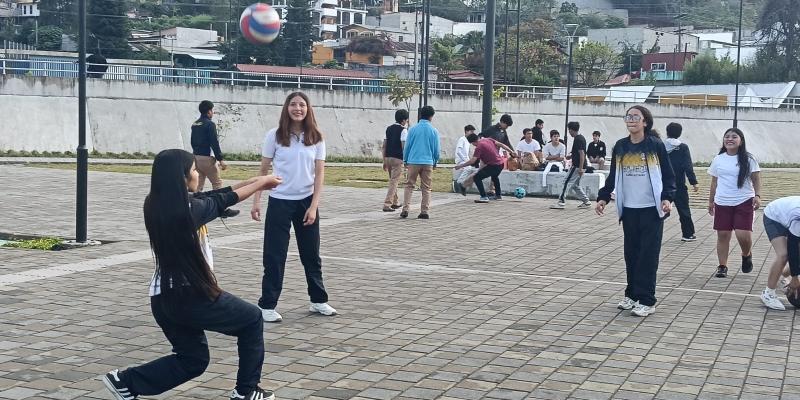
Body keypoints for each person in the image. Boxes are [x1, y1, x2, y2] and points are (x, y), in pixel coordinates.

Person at [102, 149, 281, 400]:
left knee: (193, 360)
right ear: (182, 177)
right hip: (190, 295)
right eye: (194, 170)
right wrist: (262, 182)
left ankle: (125, 381)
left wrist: (253, 181)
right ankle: (246, 392)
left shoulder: (157, 203)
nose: (198, 174)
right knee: (251, 319)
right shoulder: (187, 210)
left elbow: (215, 195)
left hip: (163, 298)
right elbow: (221, 201)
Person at [250, 92, 337, 323]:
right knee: (274, 255)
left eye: (302, 105)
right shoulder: (275, 136)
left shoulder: (316, 137)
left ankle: (318, 300)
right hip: (279, 201)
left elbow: (319, 174)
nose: (298, 108)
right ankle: (267, 305)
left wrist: (314, 206)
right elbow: (263, 172)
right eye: (293, 104)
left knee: (311, 254)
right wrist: (257, 200)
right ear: (286, 108)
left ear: (308, 109)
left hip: (306, 201)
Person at [596, 105, 676, 317]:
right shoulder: (621, 147)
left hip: (651, 209)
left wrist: (667, 198)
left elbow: (668, 175)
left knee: (647, 256)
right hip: (629, 209)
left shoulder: (655, 146)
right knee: (631, 254)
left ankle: (647, 300)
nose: (631, 120)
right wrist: (603, 197)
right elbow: (613, 176)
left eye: (636, 117)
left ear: (645, 122)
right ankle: (632, 295)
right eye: (628, 117)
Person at [708, 128, 762, 279]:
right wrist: (711, 201)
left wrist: (757, 195)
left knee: (742, 235)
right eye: (727, 137)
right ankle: (722, 266)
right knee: (723, 234)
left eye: (734, 137)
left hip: (744, 201)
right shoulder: (718, 159)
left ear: (741, 141)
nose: (729, 139)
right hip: (722, 202)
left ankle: (746, 254)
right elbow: (714, 181)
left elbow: (756, 178)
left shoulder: (749, 159)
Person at [191, 100, 238, 218]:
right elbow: (214, 143)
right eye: (212, 110)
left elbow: (192, 142)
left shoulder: (195, 124)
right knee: (217, 183)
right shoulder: (210, 124)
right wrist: (220, 159)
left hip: (195, 157)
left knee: (198, 185)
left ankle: (193, 207)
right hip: (207, 158)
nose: (213, 112)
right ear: (208, 112)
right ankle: (221, 209)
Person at [760, 196, 800, 310]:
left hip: (788, 216)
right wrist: (795, 277)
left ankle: (783, 276)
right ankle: (768, 294)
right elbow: (793, 248)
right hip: (774, 216)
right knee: (784, 254)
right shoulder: (798, 217)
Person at [401, 105, 440, 219]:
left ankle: (405, 209)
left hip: (413, 161)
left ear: (420, 115)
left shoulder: (412, 129)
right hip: (428, 161)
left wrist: (405, 159)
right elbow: (436, 149)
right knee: (426, 187)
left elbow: (407, 146)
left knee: (409, 185)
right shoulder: (434, 131)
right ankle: (424, 211)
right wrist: (435, 160)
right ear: (431, 116)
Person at [454, 134, 516, 203]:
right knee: (495, 177)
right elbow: (501, 144)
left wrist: (460, 166)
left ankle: (484, 197)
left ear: (472, 143)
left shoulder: (478, 147)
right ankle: (498, 195)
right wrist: (512, 151)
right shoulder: (488, 139)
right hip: (501, 164)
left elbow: (473, 161)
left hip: (493, 165)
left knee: (477, 178)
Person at [665, 122, 699, 242]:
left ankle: (650, 232)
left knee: (659, 209)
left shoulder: (660, 146)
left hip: (663, 184)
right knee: (684, 209)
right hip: (678, 184)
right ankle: (688, 234)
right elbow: (687, 166)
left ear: (667, 132)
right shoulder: (683, 147)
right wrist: (693, 182)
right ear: (679, 133)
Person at [551, 121, 590, 209]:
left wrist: (580, 168)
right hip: (581, 165)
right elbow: (578, 152)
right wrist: (571, 156)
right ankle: (586, 201)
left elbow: (582, 154)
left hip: (577, 166)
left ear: (572, 130)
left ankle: (561, 202)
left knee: (566, 182)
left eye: (569, 130)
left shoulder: (578, 139)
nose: (569, 132)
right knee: (575, 185)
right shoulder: (580, 138)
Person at [382, 109, 409, 212]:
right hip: (397, 158)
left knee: (393, 180)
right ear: (403, 120)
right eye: (406, 120)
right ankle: (387, 204)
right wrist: (406, 160)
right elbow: (404, 147)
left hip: (388, 157)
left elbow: (384, 146)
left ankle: (395, 202)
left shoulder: (388, 129)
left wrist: (384, 160)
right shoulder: (403, 130)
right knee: (394, 181)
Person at [453, 124, 475, 193]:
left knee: (474, 168)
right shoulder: (462, 139)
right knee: (468, 168)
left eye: (473, 132)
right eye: (471, 131)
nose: (472, 133)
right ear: (466, 131)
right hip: (460, 160)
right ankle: (458, 182)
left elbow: (466, 154)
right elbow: (459, 152)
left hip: (465, 160)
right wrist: (465, 160)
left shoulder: (468, 141)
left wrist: (469, 160)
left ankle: (464, 184)